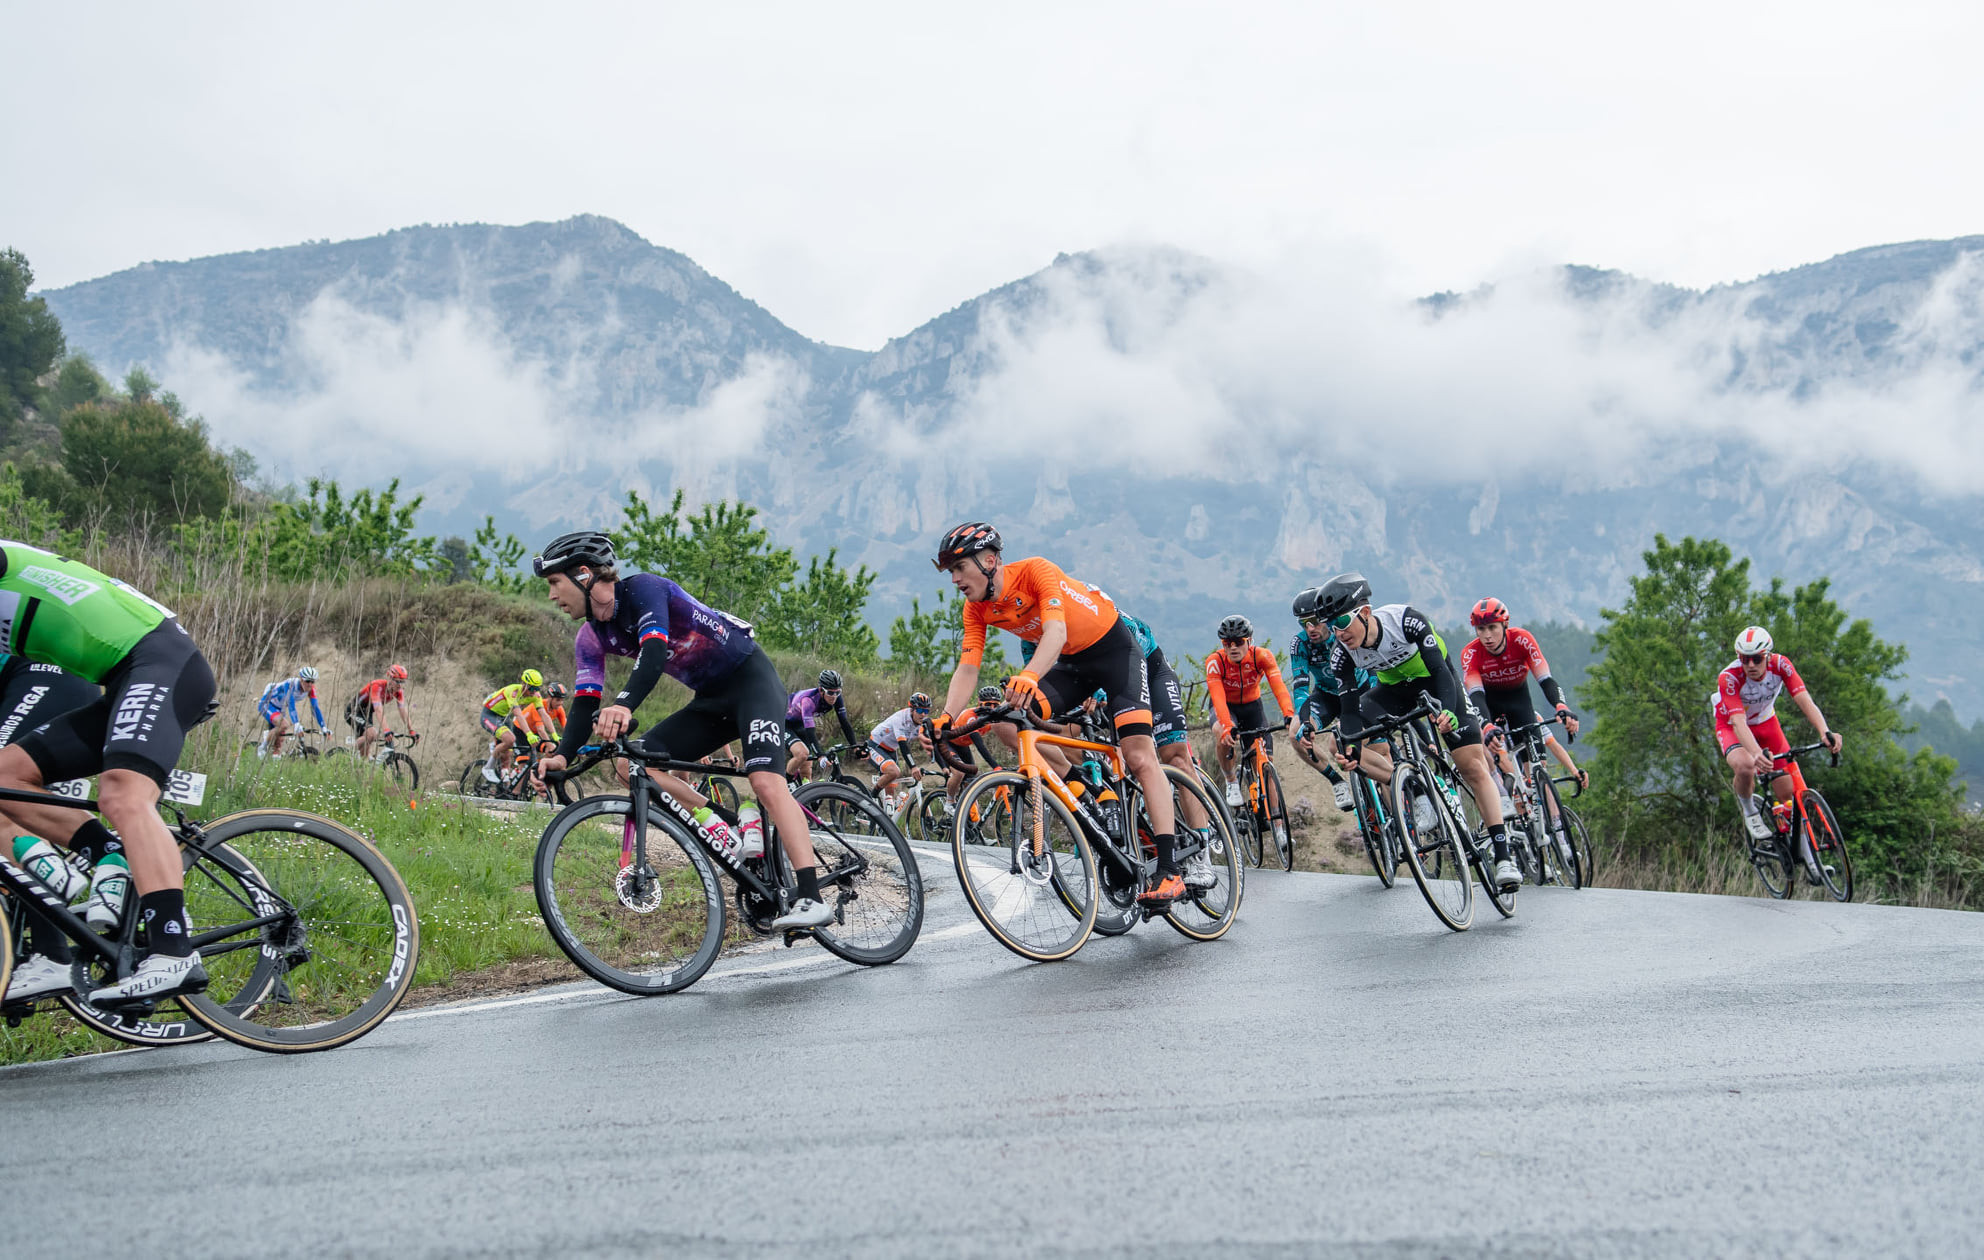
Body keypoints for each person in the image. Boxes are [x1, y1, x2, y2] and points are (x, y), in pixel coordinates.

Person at [528, 531, 834, 929]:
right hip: (711, 698)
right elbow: (585, 701)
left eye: (555, 583)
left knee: (765, 781)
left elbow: (653, 653)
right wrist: (561, 757)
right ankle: (731, 823)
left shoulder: (643, 591)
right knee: (632, 766)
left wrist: (623, 704)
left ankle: (811, 897)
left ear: (584, 574)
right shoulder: (590, 637)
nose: (552, 595)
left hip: (750, 680)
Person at [0, 542, 218, 1005]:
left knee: (121, 795)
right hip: (120, 679)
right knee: (4, 777)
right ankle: (108, 859)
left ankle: (173, 950)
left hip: (158, 660)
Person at [928, 522, 1189, 903]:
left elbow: (1056, 633)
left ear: (988, 560)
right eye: (950, 571)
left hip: (1114, 653)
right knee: (1004, 718)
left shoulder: (1036, 571)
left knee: (1137, 754)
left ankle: (1170, 870)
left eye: (959, 568)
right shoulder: (977, 608)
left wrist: (1030, 676)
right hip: (1071, 667)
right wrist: (946, 717)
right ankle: (1082, 784)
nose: (954, 579)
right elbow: (968, 666)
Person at [1306, 571, 1521, 892]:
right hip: (1393, 691)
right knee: (1343, 738)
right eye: (1330, 627)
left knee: (1472, 766)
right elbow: (1349, 710)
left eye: (1341, 623)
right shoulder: (1342, 656)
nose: (1337, 634)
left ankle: (1504, 857)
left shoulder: (1405, 621)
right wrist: (1351, 749)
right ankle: (1414, 787)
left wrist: (1447, 710)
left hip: (1437, 683)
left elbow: (1440, 670)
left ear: (1364, 613)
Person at [1714, 626, 1843, 869]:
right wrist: (1755, 753)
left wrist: (1825, 732)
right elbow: (1739, 722)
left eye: (1757, 658)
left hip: (1766, 723)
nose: (1750, 665)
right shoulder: (1729, 677)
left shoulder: (1781, 665)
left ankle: (1811, 862)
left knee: (1789, 797)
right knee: (1745, 766)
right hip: (1731, 726)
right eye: (1744, 659)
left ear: (1768, 656)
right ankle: (1750, 810)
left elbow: (1804, 699)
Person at [1460, 598, 1587, 795]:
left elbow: (1546, 680)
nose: (1487, 636)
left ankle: (1550, 821)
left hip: (1520, 703)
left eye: (1492, 627)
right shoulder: (1471, 653)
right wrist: (1487, 725)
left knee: (1538, 770)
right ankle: (1511, 807)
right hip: (1490, 707)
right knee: (1497, 759)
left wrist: (1561, 706)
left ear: (1505, 624)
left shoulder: (1521, 640)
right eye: (1481, 629)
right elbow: (1475, 695)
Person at [1288, 590, 1374, 811]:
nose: (1310, 629)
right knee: (1296, 733)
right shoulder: (1300, 644)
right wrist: (1306, 722)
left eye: (1315, 622)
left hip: (1359, 691)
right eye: (1303, 623)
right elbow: (1300, 688)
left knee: (1359, 738)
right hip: (1327, 695)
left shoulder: (1343, 633)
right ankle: (1337, 782)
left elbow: (1373, 666)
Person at [1203, 614, 1296, 810]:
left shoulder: (1262, 656)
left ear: (1249, 641)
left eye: (1239, 642)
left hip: (1253, 707)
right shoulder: (1215, 662)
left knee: (1265, 766)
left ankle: (1279, 828)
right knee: (1221, 732)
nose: (1233, 647)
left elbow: (1278, 686)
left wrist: (1288, 714)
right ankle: (1231, 781)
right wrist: (1228, 726)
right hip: (1226, 707)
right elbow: (1217, 696)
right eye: (1227, 643)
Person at [785, 669, 861, 780]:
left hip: (799, 723)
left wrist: (855, 747)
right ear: (821, 690)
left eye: (837, 692)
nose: (834, 696)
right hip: (784, 722)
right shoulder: (808, 700)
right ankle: (785, 783)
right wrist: (820, 755)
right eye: (830, 693)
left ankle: (806, 796)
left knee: (806, 769)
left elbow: (844, 723)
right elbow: (810, 730)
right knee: (802, 754)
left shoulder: (836, 698)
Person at [866, 691, 933, 805]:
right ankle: (871, 800)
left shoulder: (923, 723)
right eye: (920, 711)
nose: (923, 715)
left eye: (926, 711)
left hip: (891, 750)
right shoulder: (901, 719)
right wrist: (913, 767)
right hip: (875, 745)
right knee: (894, 772)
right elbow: (903, 746)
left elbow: (933, 744)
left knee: (890, 798)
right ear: (912, 710)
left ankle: (885, 817)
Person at [480, 669, 546, 777]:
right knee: (510, 740)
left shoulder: (535, 696)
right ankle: (488, 768)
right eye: (532, 688)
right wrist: (529, 734)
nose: (534, 692)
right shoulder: (513, 691)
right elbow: (518, 715)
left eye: (537, 688)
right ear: (524, 684)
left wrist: (554, 735)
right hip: (489, 715)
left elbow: (544, 715)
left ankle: (504, 783)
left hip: (503, 717)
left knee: (509, 752)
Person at [348, 664, 415, 759]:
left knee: (365, 756)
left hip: (367, 713)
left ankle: (358, 762)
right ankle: (346, 754)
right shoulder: (377, 686)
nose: (400, 685)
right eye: (397, 681)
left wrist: (411, 730)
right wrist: (386, 730)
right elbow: (379, 710)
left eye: (402, 682)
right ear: (390, 679)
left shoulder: (398, 692)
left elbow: (403, 711)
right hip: (354, 710)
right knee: (372, 734)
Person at [256, 665, 323, 756]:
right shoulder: (290, 684)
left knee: (279, 741)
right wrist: (296, 723)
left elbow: (315, 708)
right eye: (307, 681)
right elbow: (291, 704)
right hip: (267, 704)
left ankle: (274, 763)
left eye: (312, 681)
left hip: (279, 709)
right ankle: (262, 748)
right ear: (301, 679)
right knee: (284, 725)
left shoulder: (311, 689)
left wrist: (324, 727)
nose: (310, 684)